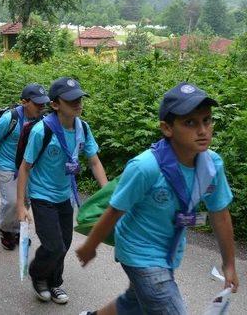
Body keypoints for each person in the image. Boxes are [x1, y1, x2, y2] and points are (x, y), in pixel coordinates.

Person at [76, 83, 238, 315]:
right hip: (138, 251)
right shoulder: (146, 167)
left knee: (134, 302)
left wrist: (229, 264)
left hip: (169, 252)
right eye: (190, 123)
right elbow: (114, 210)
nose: (202, 130)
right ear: (167, 128)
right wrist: (90, 246)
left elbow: (220, 214)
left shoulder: (212, 165)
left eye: (207, 120)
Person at [16, 77, 108, 305]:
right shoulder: (42, 131)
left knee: (64, 244)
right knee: (53, 244)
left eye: (79, 98)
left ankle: (55, 282)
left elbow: (94, 162)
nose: (78, 103)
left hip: (64, 195)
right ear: (56, 104)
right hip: (41, 195)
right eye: (71, 100)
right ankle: (38, 276)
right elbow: (25, 168)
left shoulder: (83, 128)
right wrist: (20, 205)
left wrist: (108, 195)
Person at [0, 84, 50, 250]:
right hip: (7, 165)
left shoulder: (42, 121)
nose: (41, 107)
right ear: (24, 102)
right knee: (11, 201)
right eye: (37, 103)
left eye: (43, 103)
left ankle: (17, 230)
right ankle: (6, 230)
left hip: (29, 167)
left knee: (25, 201)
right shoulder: (11, 118)